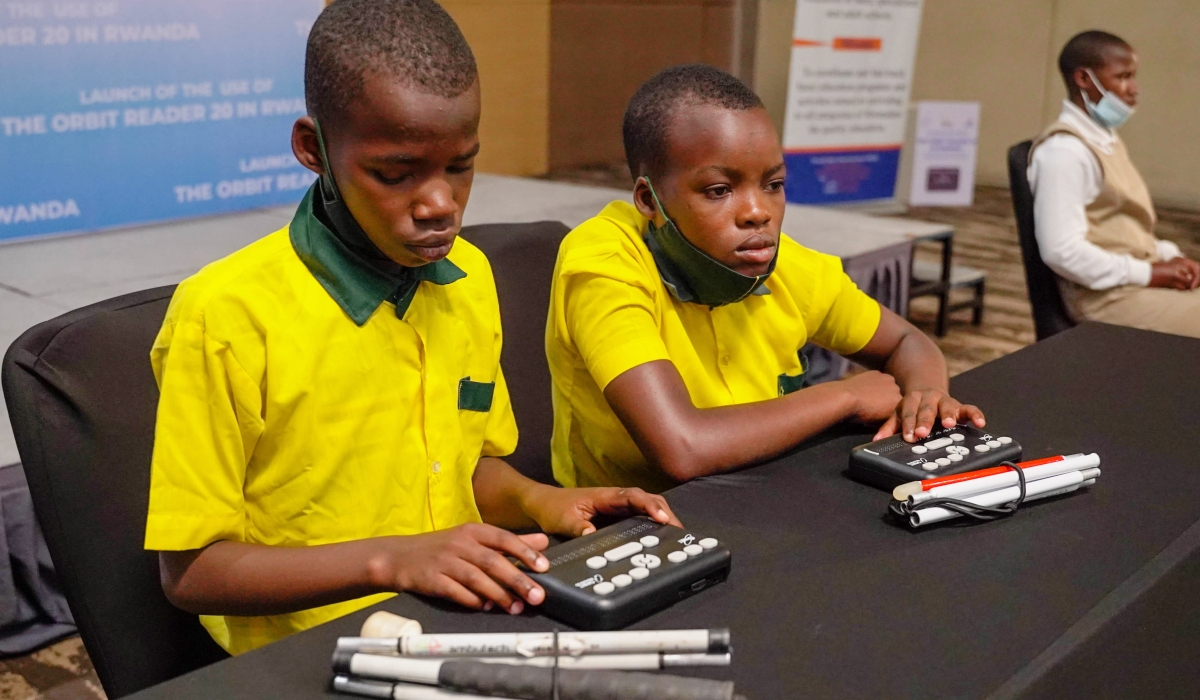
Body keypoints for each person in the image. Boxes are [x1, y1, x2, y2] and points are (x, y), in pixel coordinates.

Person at [145, 0, 677, 656]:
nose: (439, 205)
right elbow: (191, 572)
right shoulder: (223, 317)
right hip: (310, 653)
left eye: (460, 166)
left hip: (454, 619)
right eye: (395, 175)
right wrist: (392, 560)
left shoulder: (470, 278)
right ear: (315, 150)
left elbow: (467, 468)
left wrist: (544, 503)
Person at [545, 65, 985, 493]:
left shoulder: (786, 263)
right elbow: (683, 448)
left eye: (773, 184)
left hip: (767, 487)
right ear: (648, 199)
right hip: (637, 523)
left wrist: (926, 397)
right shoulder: (605, 262)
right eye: (719, 190)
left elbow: (906, 342)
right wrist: (843, 397)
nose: (758, 212)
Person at [1028, 30, 1200, 337]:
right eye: (1123, 77)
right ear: (1083, 78)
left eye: (1133, 77)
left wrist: (1167, 255)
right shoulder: (1064, 152)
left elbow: (1121, 229)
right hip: (1105, 298)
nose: (1134, 89)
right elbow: (1062, 252)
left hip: (1133, 280)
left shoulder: (1105, 139)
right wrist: (1149, 273)